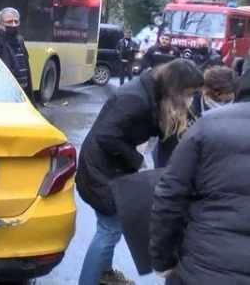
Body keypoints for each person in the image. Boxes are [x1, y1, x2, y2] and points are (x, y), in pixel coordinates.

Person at [76, 59, 203, 285]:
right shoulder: (134, 98)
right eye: (188, 93)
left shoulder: (153, 92)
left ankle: (103, 273)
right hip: (100, 171)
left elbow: (165, 133)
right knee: (109, 229)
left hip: (110, 167)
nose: (189, 99)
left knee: (109, 228)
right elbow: (106, 135)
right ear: (176, 86)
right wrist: (138, 160)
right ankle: (90, 279)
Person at [150, 68, 250, 284]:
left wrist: (162, 260)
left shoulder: (208, 125)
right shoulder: (194, 114)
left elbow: (169, 197)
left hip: (203, 266)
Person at [153, 65, 237, 168]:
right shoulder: (182, 108)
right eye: (226, 99)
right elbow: (168, 149)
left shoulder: (237, 108)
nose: (229, 103)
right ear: (215, 92)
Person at [0, 8, 34, 101]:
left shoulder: (19, 40)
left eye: (16, 21)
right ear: (0, 23)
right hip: (4, 93)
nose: (13, 24)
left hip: (21, 92)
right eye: (9, 21)